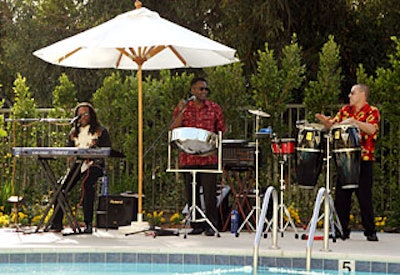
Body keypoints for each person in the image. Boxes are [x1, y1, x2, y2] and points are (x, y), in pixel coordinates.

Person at [315, 84, 380, 241]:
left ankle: (370, 231)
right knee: (342, 197)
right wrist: (326, 123)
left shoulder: (372, 111)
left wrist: (355, 122)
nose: (349, 96)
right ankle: (340, 229)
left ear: (362, 95)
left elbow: (372, 129)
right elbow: (334, 125)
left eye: (353, 93)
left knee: (364, 196)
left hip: (363, 160)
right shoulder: (345, 111)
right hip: (345, 159)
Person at [170, 77, 226, 236]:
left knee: (210, 195)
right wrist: (181, 111)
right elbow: (173, 129)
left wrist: (213, 144)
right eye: (200, 89)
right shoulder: (184, 108)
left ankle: (210, 225)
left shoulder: (214, 108)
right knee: (191, 194)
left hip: (208, 157)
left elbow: (221, 130)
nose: (204, 92)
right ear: (192, 90)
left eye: (205, 89)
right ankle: (196, 225)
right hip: (189, 157)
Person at [50, 102, 111, 234]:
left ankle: (88, 223)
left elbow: (107, 150)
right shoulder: (73, 132)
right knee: (61, 187)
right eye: (79, 114)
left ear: (91, 115)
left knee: (88, 185)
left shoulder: (100, 131)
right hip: (78, 165)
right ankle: (56, 223)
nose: (82, 117)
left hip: (94, 165)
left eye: (85, 114)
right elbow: (69, 151)